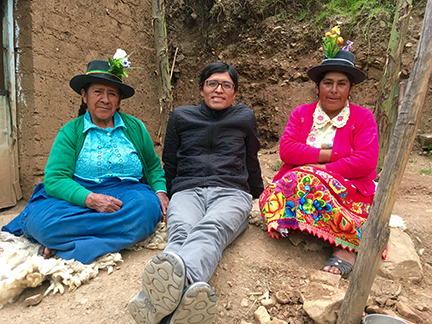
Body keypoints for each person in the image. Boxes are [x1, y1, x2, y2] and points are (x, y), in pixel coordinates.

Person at [2, 49, 169, 264]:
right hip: (79, 195)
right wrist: (90, 199)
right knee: (41, 222)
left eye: (112, 94)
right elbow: (55, 179)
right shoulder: (71, 132)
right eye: (98, 92)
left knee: (146, 210)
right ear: (84, 96)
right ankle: (91, 241)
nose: (105, 100)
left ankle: (67, 244)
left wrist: (161, 192)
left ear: (118, 101)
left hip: (127, 195)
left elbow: (153, 166)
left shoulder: (135, 127)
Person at [128, 62, 264, 324]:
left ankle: (169, 291)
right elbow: (171, 160)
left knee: (211, 227)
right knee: (181, 230)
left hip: (232, 191)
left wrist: (259, 194)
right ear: (201, 89)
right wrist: (165, 192)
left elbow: (251, 159)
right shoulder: (181, 117)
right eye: (212, 83)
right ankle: (177, 305)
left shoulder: (244, 117)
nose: (219, 90)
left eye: (227, 85)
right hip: (187, 189)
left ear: (234, 93)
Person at [259, 30, 379, 279]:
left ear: (350, 88)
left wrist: (319, 170)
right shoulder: (302, 114)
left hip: (347, 186)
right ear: (317, 87)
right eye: (328, 83)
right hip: (302, 179)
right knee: (278, 190)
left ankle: (346, 248)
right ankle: (308, 225)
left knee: (305, 179)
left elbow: (365, 162)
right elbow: (287, 150)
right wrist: (334, 154)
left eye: (341, 84)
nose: (334, 90)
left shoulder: (362, 118)